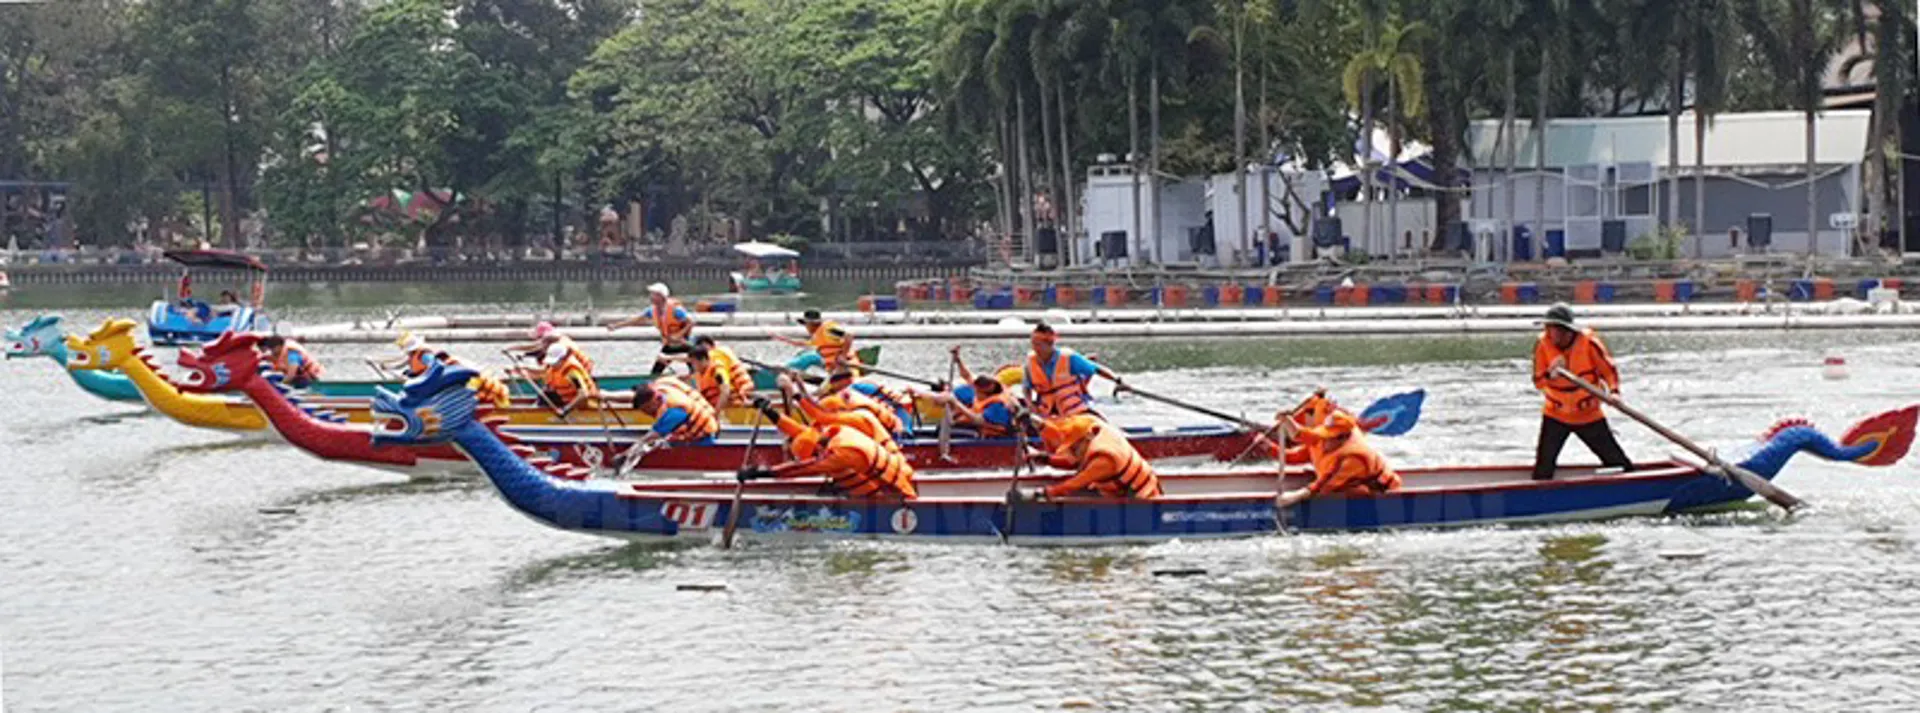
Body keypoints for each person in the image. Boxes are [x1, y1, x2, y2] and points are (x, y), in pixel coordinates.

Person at [1532, 303, 1634, 480]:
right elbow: (1538, 382)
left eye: (1556, 329)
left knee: (1616, 462)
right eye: (1549, 329)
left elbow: (1608, 371)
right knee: (1543, 467)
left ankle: (1631, 485)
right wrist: (1551, 374)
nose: (1552, 334)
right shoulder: (1543, 345)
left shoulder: (1589, 344)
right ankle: (1539, 497)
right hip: (1555, 414)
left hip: (1588, 414)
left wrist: (1614, 392)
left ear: (1568, 331)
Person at [737, 399, 917, 499]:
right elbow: (797, 430)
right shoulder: (832, 433)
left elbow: (802, 469)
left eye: (813, 455)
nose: (815, 458)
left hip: (891, 495)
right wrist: (770, 412)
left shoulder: (840, 453)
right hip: (890, 478)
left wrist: (761, 474)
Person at [1274, 410, 1402, 506]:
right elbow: (1300, 441)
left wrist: (1294, 497)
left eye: (1330, 437)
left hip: (1376, 490)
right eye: (1325, 434)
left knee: (1355, 492)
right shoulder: (1322, 439)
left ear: (1343, 438)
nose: (1325, 440)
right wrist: (1287, 420)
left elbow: (1324, 484)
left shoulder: (1353, 457)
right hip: (1337, 480)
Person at [1019, 413, 1160, 500]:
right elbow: (1061, 435)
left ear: (1087, 439)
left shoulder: (1105, 459)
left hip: (1139, 497)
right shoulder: (1093, 426)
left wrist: (1039, 494)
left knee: (1073, 491)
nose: (1071, 452)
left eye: (1073, 448)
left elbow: (1073, 484)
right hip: (1114, 490)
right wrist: (1036, 422)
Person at [1024, 322, 1124, 419]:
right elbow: (1026, 388)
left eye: (1039, 345)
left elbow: (1096, 369)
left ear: (1050, 344)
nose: (1035, 348)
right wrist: (1030, 405)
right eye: (1033, 344)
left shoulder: (1069, 358)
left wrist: (1116, 379)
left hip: (1074, 409)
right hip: (1046, 411)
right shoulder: (1030, 362)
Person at [776, 374, 899, 451]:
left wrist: (793, 392)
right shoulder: (844, 402)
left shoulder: (853, 419)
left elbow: (820, 415)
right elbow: (815, 409)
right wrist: (797, 384)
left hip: (887, 444)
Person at [607, 283, 695, 375]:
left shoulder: (676, 310)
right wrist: (617, 326)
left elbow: (690, 322)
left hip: (684, 343)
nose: (651, 297)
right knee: (656, 372)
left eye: (654, 294)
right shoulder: (652, 310)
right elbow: (638, 319)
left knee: (694, 367)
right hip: (669, 345)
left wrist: (679, 335)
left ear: (661, 296)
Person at [630, 382, 721, 447]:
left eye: (647, 410)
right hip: (706, 426)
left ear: (652, 402)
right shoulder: (662, 388)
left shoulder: (674, 411)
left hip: (703, 440)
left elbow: (652, 436)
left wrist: (627, 452)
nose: (647, 414)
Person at [926, 374, 1019, 437]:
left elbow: (978, 420)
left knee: (942, 431)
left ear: (983, 392)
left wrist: (955, 402)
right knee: (941, 427)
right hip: (978, 428)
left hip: (989, 436)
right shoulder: (983, 396)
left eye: (977, 391)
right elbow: (967, 376)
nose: (974, 393)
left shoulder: (998, 405)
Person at [777, 309, 863, 373]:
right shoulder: (818, 336)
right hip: (834, 370)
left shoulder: (828, 329)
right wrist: (784, 339)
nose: (806, 327)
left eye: (806, 324)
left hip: (847, 368)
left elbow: (849, 336)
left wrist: (843, 356)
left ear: (811, 324)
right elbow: (802, 343)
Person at [688, 345, 752, 410]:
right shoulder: (699, 374)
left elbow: (725, 391)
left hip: (731, 405)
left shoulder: (717, 371)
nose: (692, 366)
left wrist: (717, 411)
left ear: (703, 360)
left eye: (693, 363)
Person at [259, 335, 324, 388]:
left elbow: (291, 375)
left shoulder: (292, 354)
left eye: (272, 349)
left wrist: (278, 385)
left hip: (309, 379)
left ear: (279, 347)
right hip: (298, 377)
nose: (271, 351)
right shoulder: (277, 354)